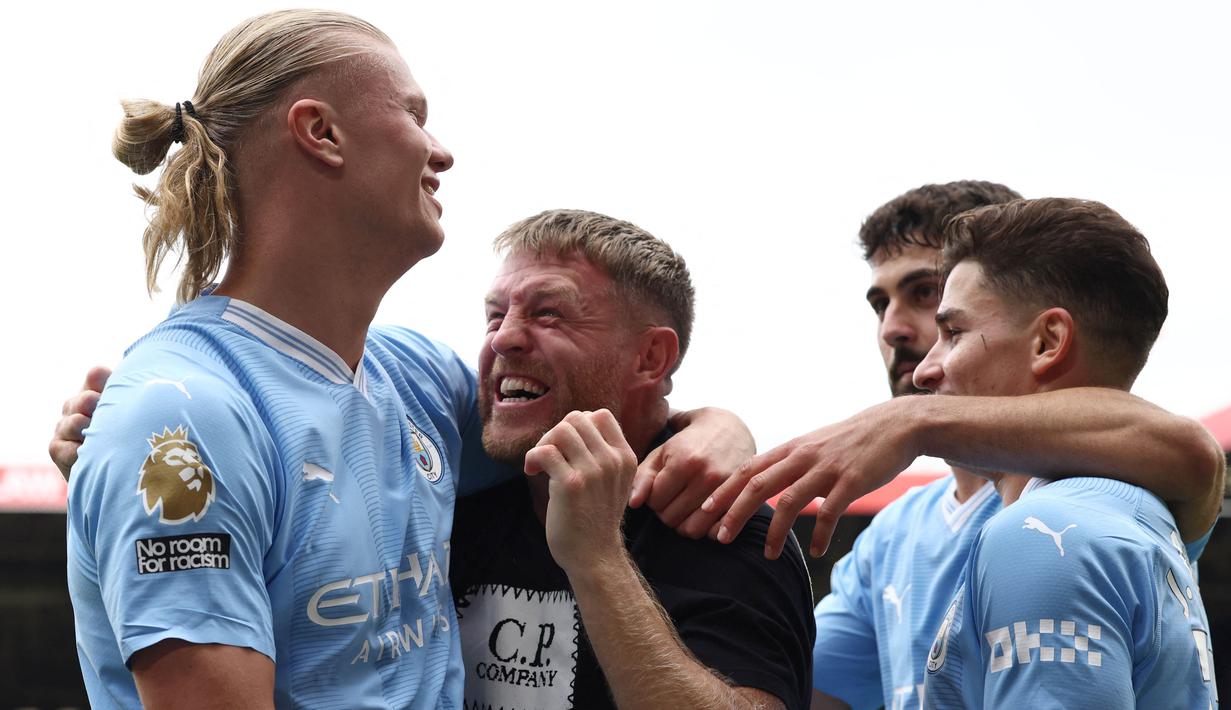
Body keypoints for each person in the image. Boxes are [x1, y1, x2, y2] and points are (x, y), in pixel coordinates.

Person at [62, 12, 748, 708]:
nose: (440, 152)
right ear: (321, 133)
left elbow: (589, 414)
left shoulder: (416, 377)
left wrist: (717, 428)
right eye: (414, 115)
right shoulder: (184, 413)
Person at [701, 181, 1225, 710]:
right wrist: (706, 426)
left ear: (1046, 334)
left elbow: (1192, 451)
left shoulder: (1081, 508)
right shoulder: (894, 534)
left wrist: (916, 419)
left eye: (930, 298)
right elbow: (768, 694)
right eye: (881, 303)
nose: (894, 329)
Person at [449, 209, 814, 709]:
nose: (502, 337)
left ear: (651, 359)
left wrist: (597, 558)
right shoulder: (455, 500)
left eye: (548, 313)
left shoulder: (727, 528)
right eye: (495, 315)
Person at [916, 197, 1215, 707]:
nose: (925, 370)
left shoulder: (1044, 536)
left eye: (953, 332)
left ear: (1048, 342)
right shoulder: (1145, 516)